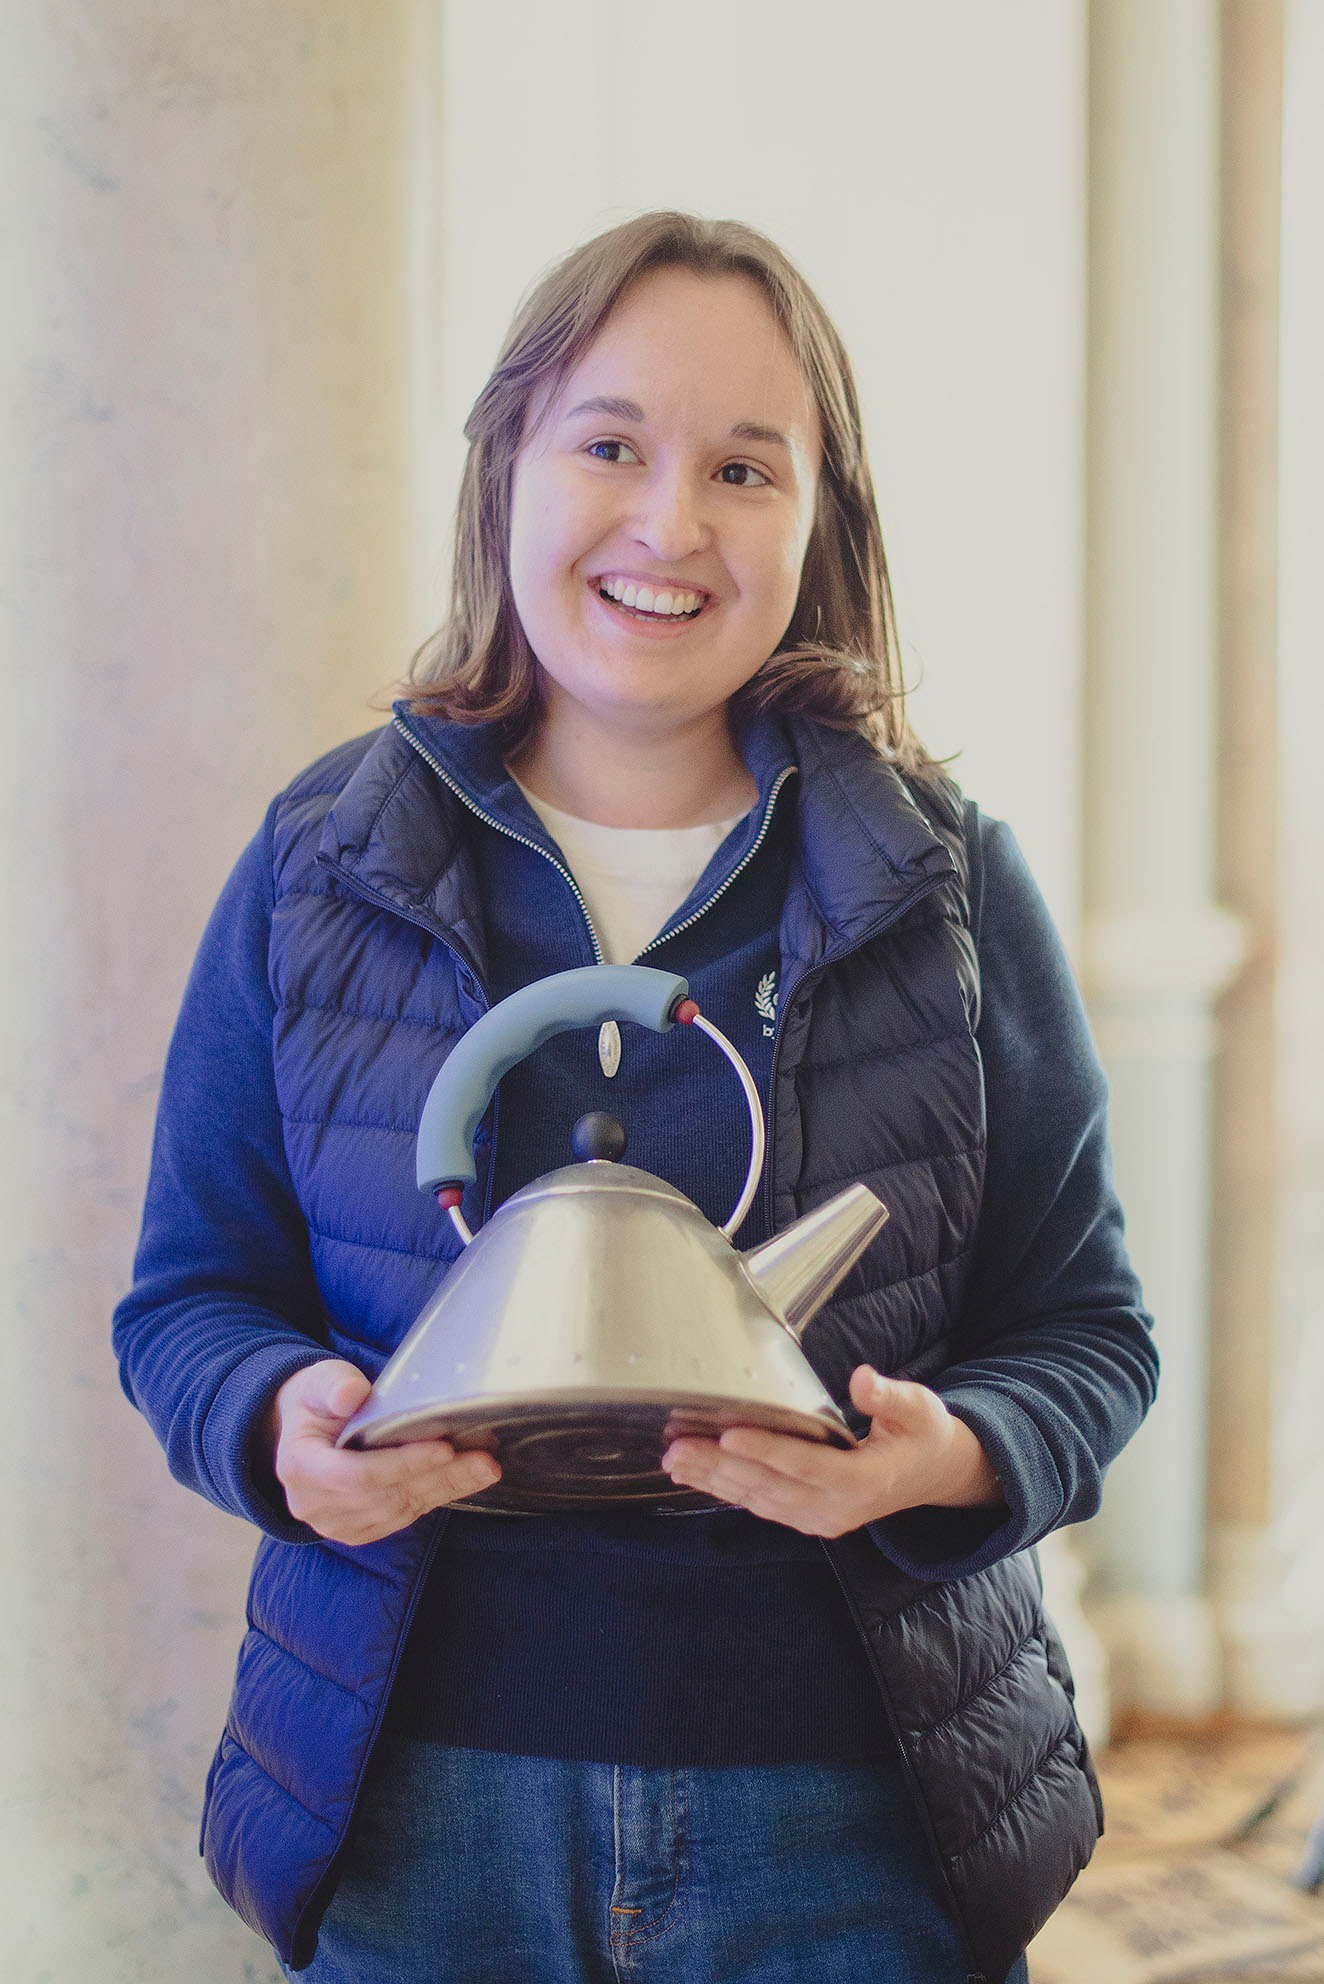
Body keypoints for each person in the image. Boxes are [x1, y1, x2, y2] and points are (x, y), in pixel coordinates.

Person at [112, 211, 1158, 1984]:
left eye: (744, 469)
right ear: (506, 466)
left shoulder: (949, 886)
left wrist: (956, 1456)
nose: (671, 525)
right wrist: (278, 1419)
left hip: (849, 1819)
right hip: (417, 1811)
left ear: (821, 523)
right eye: (609, 445)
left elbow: (1087, 1333)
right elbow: (188, 1301)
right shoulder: (322, 861)